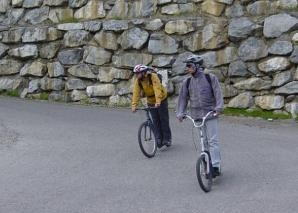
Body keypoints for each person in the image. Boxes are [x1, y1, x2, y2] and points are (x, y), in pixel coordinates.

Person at [176, 55, 224, 177]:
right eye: (186, 66)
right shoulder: (187, 82)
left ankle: (215, 166)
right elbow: (182, 99)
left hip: (210, 114)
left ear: (197, 66)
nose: (187, 68)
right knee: (204, 141)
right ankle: (208, 165)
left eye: (189, 65)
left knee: (213, 141)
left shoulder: (210, 78)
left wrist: (218, 108)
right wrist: (180, 113)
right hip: (196, 116)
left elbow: (218, 93)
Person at [131, 64, 172, 148]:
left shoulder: (153, 76)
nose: (136, 75)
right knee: (155, 121)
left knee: (163, 120)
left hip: (161, 99)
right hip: (150, 101)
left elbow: (157, 89)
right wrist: (134, 105)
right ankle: (159, 139)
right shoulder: (138, 81)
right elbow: (136, 93)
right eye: (135, 73)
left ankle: (167, 139)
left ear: (143, 73)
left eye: (138, 73)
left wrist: (158, 101)